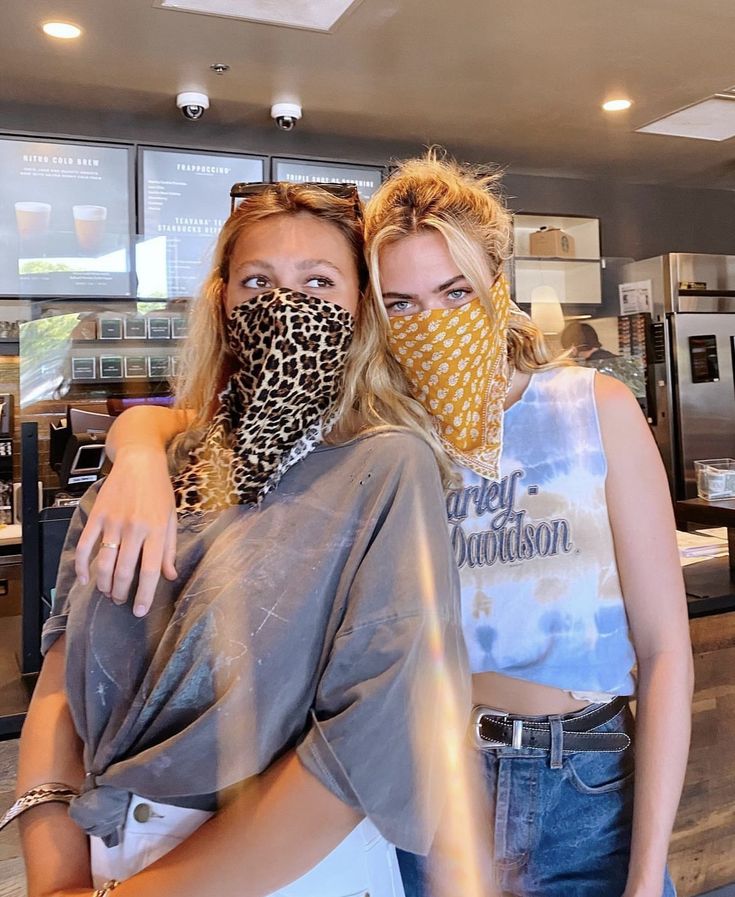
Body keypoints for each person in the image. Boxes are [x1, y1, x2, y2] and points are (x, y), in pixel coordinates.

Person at [74, 156, 694, 897]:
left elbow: (663, 656)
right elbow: (201, 424)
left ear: (497, 287)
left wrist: (645, 872)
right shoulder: (375, 430)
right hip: (427, 782)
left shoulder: (591, 408)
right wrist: (137, 451)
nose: (430, 322)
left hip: (582, 783)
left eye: (453, 291)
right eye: (399, 302)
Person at [13, 182, 470, 897]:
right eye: (259, 281)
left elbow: (365, 742)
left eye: (318, 282)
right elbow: (61, 682)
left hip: (287, 871)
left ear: (358, 309)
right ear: (224, 300)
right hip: (103, 855)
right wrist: (55, 871)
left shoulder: (383, 468)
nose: (286, 307)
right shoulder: (148, 472)